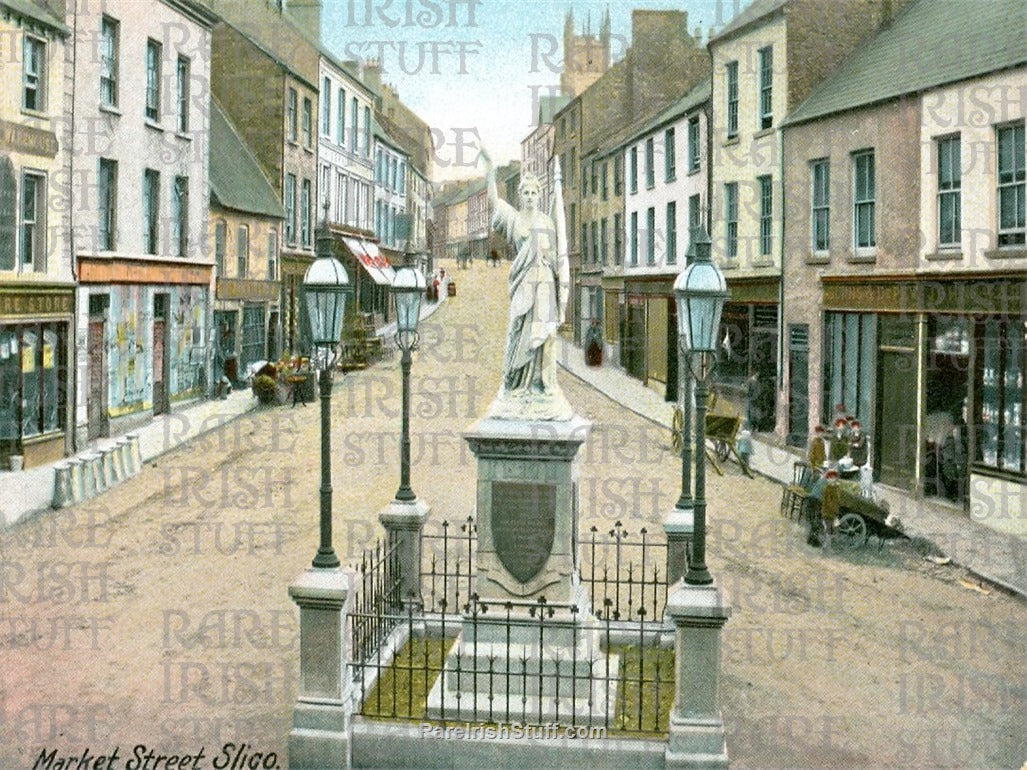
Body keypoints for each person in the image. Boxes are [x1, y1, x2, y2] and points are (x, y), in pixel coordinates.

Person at [480, 147, 572, 420]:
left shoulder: (547, 222)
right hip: (523, 285)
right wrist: (490, 171)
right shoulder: (514, 218)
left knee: (542, 337)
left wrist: (561, 294)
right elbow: (494, 204)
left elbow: (557, 257)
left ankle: (540, 386)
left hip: (544, 285)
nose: (530, 197)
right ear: (520, 196)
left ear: (540, 196)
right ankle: (516, 383)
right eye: (526, 193)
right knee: (517, 331)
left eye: (534, 193)